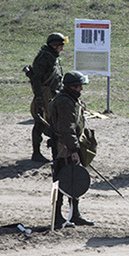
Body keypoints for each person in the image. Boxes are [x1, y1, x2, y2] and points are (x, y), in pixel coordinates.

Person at [48, 71, 94, 229]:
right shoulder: (65, 103)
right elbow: (67, 129)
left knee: (74, 179)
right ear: (72, 87)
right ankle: (57, 216)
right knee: (63, 180)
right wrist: (74, 150)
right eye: (79, 86)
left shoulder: (70, 100)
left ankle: (75, 214)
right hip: (64, 147)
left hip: (69, 145)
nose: (81, 89)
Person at [30, 33, 68, 162]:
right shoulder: (44, 58)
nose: (62, 49)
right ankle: (36, 153)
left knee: (54, 122)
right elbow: (36, 79)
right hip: (45, 95)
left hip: (53, 94)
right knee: (41, 122)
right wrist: (39, 98)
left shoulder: (52, 57)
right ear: (54, 46)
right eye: (60, 46)